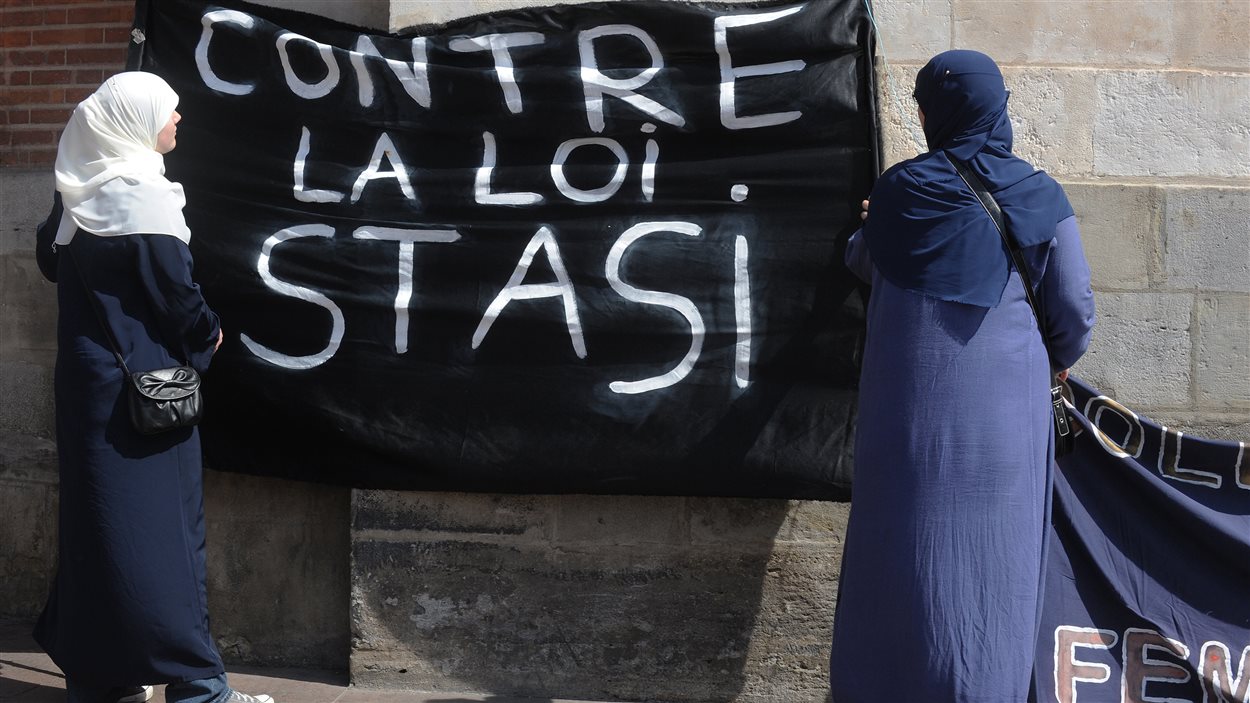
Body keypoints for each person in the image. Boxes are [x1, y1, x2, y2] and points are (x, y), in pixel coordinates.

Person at [828, 51, 1095, 701]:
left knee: (900, 561)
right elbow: (1075, 313)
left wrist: (872, 223)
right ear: (995, 107)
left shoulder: (898, 193)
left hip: (905, 423)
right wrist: (1053, 357)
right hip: (1001, 426)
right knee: (992, 574)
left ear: (934, 114)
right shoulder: (1038, 197)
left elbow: (864, 261)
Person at [32, 72, 274, 703]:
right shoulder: (146, 198)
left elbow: (50, 262)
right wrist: (210, 334)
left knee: (99, 534)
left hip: (88, 392)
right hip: (145, 398)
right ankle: (199, 690)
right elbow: (178, 297)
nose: (178, 120)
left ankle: (101, 681)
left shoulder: (79, 193)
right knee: (165, 539)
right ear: (135, 121)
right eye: (169, 110)